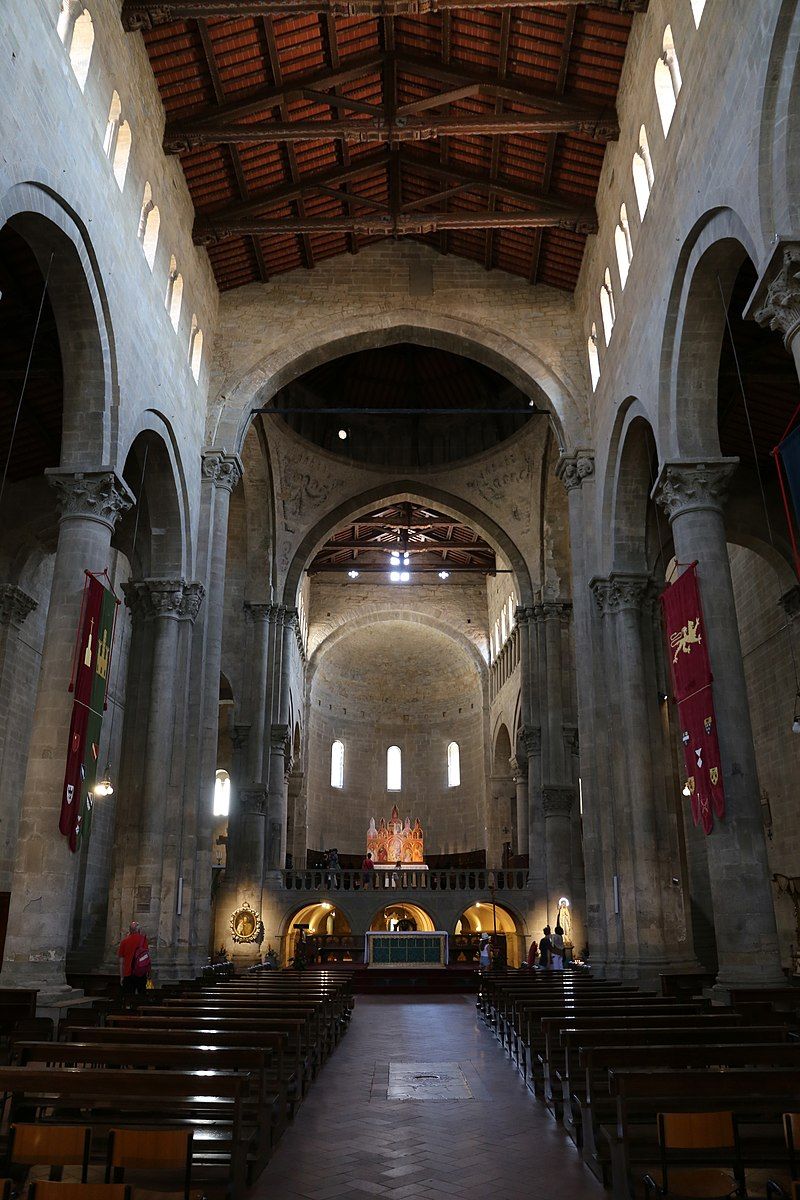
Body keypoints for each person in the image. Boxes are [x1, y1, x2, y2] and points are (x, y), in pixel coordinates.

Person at [118, 921, 150, 996]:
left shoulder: (124, 942)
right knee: (141, 997)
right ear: (139, 930)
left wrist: (122, 976)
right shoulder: (143, 940)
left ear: (129, 930)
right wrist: (148, 973)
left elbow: (121, 962)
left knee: (128, 997)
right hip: (140, 972)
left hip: (128, 973)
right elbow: (147, 958)